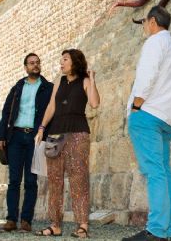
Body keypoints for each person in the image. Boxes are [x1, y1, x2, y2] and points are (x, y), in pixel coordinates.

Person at [123, 6, 171, 241]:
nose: (143, 29)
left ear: (152, 22)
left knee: (154, 172)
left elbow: (147, 77)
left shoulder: (154, 42)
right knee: (163, 172)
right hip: (167, 118)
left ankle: (157, 231)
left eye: (144, 24)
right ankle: (167, 232)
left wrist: (137, 104)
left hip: (148, 114)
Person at [34, 49, 101, 238]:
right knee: (54, 181)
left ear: (75, 62)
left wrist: (93, 80)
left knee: (78, 178)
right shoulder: (59, 81)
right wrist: (41, 128)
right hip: (55, 133)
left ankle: (83, 225)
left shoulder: (85, 81)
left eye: (65, 60)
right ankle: (55, 225)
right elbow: (51, 107)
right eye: (60, 60)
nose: (61, 63)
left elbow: (95, 103)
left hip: (78, 133)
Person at [0, 53, 53, 232]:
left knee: (30, 180)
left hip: (35, 138)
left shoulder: (48, 87)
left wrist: (46, 136)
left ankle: (26, 220)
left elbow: (52, 113)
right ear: (25, 67)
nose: (35, 65)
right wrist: (0, 136)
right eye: (31, 63)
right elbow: (6, 113)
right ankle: (11, 219)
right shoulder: (18, 87)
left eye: (37, 63)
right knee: (13, 180)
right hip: (16, 137)